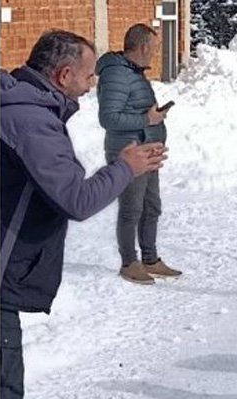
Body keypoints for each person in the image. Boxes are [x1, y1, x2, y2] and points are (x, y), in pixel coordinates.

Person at [2, 30, 167, 399]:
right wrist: (126, 166)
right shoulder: (32, 121)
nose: (92, 82)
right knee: (2, 378)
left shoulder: (25, 108)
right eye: (87, 73)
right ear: (63, 74)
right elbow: (75, 198)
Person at [97, 24, 181, 284]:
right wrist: (148, 118)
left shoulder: (133, 73)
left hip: (148, 150)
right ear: (143, 46)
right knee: (131, 210)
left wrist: (154, 119)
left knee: (151, 207)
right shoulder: (116, 74)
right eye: (154, 48)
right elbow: (108, 118)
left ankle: (150, 258)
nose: (155, 53)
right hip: (129, 153)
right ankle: (129, 263)